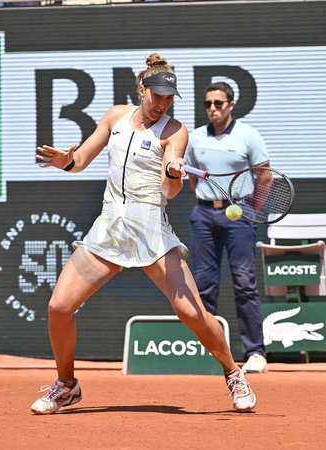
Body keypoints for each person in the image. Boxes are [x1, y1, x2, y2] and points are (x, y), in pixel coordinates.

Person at [32, 54, 256, 414]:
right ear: (142, 89)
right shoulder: (115, 117)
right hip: (109, 230)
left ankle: (233, 373)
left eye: (169, 98)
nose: (162, 104)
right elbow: (80, 161)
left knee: (192, 313)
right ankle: (67, 386)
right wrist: (65, 162)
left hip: (150, 231)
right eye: (157, 96)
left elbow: (170, 191)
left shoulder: (175, 131)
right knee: (59, 307)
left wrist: (173, 171)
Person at [185, 81, 270, 374]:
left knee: (244, 284)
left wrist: (251, 210)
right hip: (204, 215)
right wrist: (209, 201)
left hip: (240, 214)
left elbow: (265, 177)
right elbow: (193, 176)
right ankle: (208, 351)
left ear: (231, 105)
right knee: (203, 285)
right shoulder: (195, 137)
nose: (212, 108)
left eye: (218, 103)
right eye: (208, 103)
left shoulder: (249, 135)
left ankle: (255, 353)